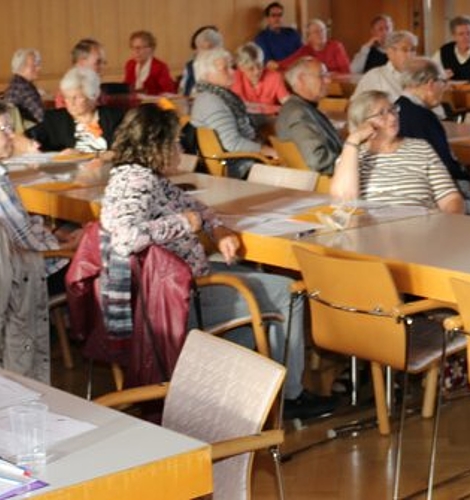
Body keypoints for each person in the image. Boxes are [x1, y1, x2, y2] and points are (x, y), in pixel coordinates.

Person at [103, 103, 333, 418]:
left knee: (267, 298)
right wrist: (186, 223)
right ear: (155, 145)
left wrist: (218, 228)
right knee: (288, 293)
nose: (179, 149)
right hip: (185, 295)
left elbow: (195, 206)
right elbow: (125, 237)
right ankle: (290, 398)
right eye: (173, 142)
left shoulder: (142, 177)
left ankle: (227, 382)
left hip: (182, 286)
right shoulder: (137, 183)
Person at [0, 98, 77, 383]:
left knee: (82, 242)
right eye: (5, 129)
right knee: (95, 267)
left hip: (13, 263)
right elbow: (22, 238)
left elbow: (23, 224)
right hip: (15, 276)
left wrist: (58, 236)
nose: (12, 135)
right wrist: (67, 248)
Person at [333, 90, 463, 213]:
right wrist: (354, 139)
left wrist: (449, 223)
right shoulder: (350, 157)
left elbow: (450, 198)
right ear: (362, 123)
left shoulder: (421, 148)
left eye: (393, 110)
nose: (392, 117)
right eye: (381, 113)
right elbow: (344, 201)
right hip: (371, 231)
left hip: (420, 229)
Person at [190, 48, 270, 179]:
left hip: (243, 159)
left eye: (231, 67)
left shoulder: (215, 95)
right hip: (239, 166)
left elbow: (241, 120)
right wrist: (265, 150)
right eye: (225, 68)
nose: (232, 72)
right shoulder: (211, 101)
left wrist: (268, 119)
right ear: (206, 74)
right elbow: (232, 143)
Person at [396, 59, 467, 182]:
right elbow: (445, 167)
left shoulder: (392, 110)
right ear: (430, 84)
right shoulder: (425, 118)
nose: (445, 88)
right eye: (443, 82)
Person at [28, 67, 126, 155]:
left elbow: (124, 151)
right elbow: (26, 138)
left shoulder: (115, 118)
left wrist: (85, 155)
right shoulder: (53, 119)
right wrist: (29, 145)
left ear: (93, 96)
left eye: (77, 97)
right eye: (67, 97)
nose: (70, 103)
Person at [275, 57, 343, 175]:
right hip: (327, 184)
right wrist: (353, 165)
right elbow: (317, 160)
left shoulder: (298, 107)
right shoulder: (297, 113)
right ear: (301, 80)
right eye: (322, 76)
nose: (328, 81)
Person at [353, 31, 418, 101]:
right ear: (390, 53)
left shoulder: (421, 75)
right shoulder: (375, 76)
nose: (410, 55)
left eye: (413, 50)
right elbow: (354, 105)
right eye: (404, 50)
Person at [231, 43, 291, 111]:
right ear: (241, 68)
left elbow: (287, 101)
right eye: (251, 68)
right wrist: (276, 108)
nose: (257, 71)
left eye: (260, 65)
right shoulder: (233, 78)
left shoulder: (275, 77)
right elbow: (237, 107)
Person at [279, 19, 351, 74]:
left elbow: (346, 71)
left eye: (323, 30)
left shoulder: (336, 46)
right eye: (316, 32)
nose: (321, 34)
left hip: (337, 86)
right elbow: (288, 63)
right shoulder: (305, 49)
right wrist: (275, 65)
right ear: (309, 37)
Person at [125, 31, 179, 95]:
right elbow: (126, 89)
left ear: (150, 49)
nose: (136, 52)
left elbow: (169, 93)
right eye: (133, 48)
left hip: (154, 103)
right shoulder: (130, 65)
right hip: (134, 104)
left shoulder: (159, 67)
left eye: (138, 48)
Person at [56, 39, 105, 108]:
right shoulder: (68, 91)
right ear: (81, 63)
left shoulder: (96, 87)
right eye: (98, 63)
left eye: (104, 63)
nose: (102, 67)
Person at [4, 48, 45, 125]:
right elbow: (41, 116)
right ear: (21, 66)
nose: (39, 68)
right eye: (34, 65)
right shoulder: (23, 87)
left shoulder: (16, 82)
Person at [180, 27, 223, 97]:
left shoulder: (223, 66)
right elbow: (183, 91)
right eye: (199, 48)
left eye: (209, 48)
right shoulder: (191, 66)